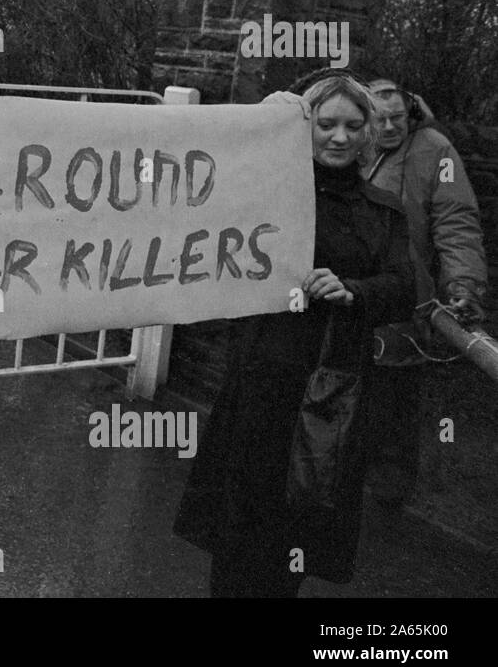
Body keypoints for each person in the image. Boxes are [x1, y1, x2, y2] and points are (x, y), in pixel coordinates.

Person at [174, 69, 415, 597]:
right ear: (304, 127)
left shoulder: (382, 212)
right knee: (239, 530)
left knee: (296, 531)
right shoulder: (268, 194)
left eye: (354, 126)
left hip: (332, 391)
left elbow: (404, 287)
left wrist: (353, 289)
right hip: (262, 381)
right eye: (326, 124)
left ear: (369, 132)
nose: (340, 137)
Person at [360, 76, 488, 506]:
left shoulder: (435, 151)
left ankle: (387, 499)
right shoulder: (349, 143)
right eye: (380, 120)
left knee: (395, 402)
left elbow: (456, 224)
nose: (390, 128)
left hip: (407, 304)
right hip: (351, 295)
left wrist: (463, 284)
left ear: (410, 113)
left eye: (397, 118)